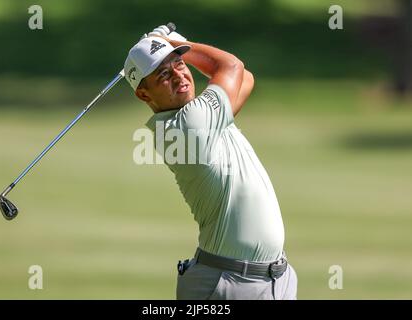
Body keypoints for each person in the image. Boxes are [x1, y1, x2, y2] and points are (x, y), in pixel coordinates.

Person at [124, 25, 297, 300]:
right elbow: (232, 66)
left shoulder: (200, 116)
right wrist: (175, 43)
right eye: (164, 75)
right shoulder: (189, 125)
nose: (179, 76)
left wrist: (170, 48)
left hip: (273, 279)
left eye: (179, 64)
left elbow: (246, 79)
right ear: (144, 95)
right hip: (229, 284)